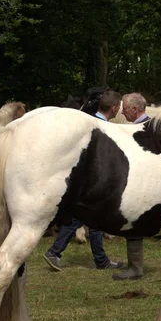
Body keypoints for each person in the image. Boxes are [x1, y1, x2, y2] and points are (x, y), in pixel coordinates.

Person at [44, 91, 125, 271]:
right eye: (118, 107)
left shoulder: (87, 122)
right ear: (114, 108)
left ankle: (56, 252)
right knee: (92, 221)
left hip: (83, 182)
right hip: (92, 182)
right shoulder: (101, 128)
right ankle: (98, 260)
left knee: (81, 220)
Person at [111, 93, 151, 280]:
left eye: (125, 109)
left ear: (135, 110)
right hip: (143, 182)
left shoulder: (144, 129)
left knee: (133, 224)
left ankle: (135, 269)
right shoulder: (151, 125)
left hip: (142, 183)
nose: (122, 112)